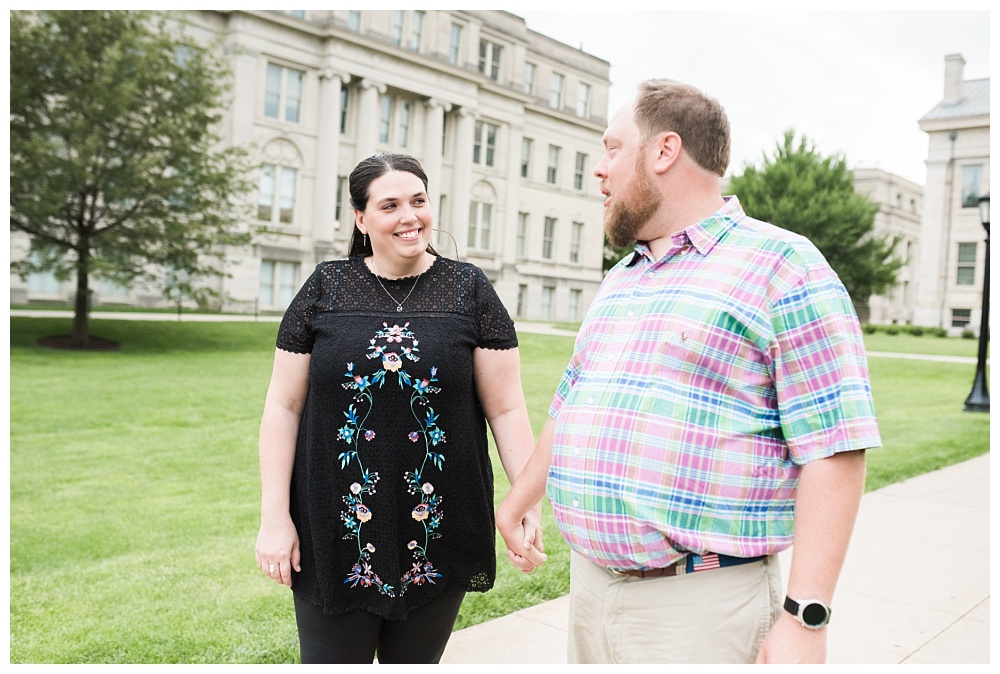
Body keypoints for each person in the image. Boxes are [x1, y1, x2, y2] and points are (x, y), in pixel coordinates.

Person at [496, 79, 881, 664]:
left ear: (664, 151)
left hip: (701, 607)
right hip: (590, 590)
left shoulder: (784, 265)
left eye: (613, 148)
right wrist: (519, 497)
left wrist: (807, 617)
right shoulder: (623, 276)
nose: (599, 170)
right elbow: (573, 402)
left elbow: (834, 449)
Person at [255, 153, 541, 664]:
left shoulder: (469, 290)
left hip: (438, 523)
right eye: (390, 205)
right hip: (334, 526)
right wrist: (275, 517)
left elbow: (507, 410)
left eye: (419, 201)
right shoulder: (325, 288)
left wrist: (524, 503)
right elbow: (283, 406)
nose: (410, 216)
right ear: (362, 220)